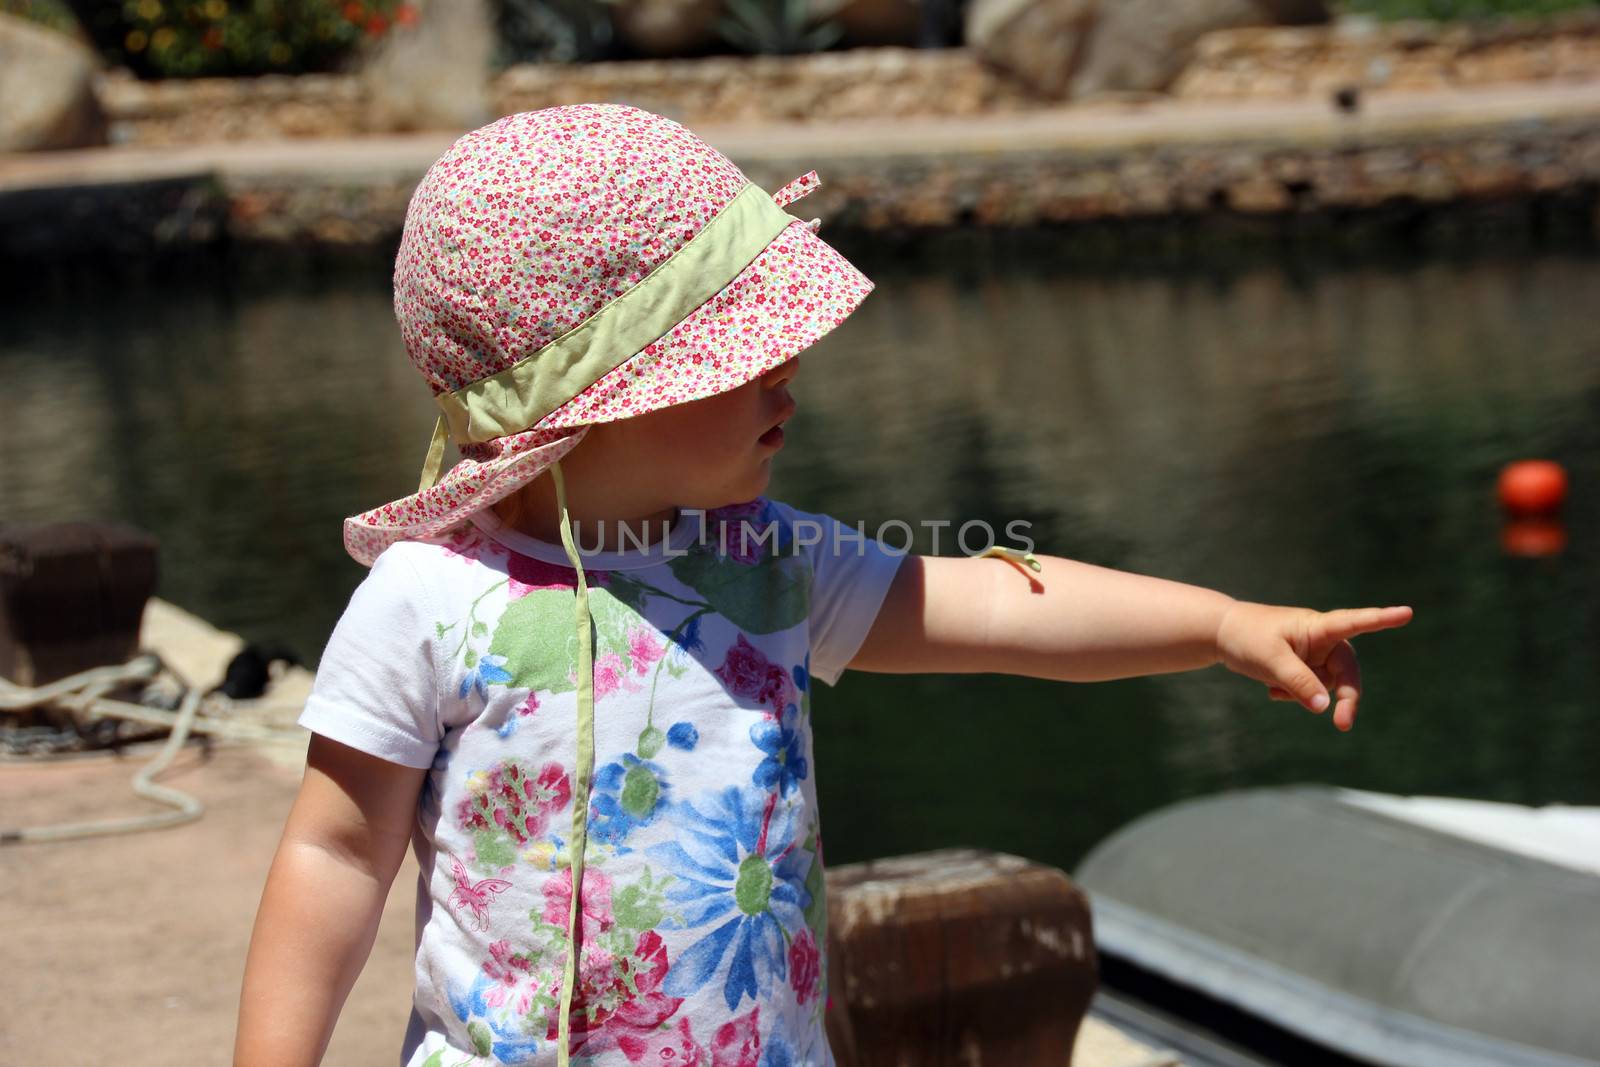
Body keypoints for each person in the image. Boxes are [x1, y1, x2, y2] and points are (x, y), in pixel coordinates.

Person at [234, 104, 1412, 1067]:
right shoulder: (434, 599)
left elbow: (996, 604)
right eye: (741, 355)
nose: (787, 376)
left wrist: (1215, 624)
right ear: (585, 407)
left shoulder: (768, 563)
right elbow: (338, 852)